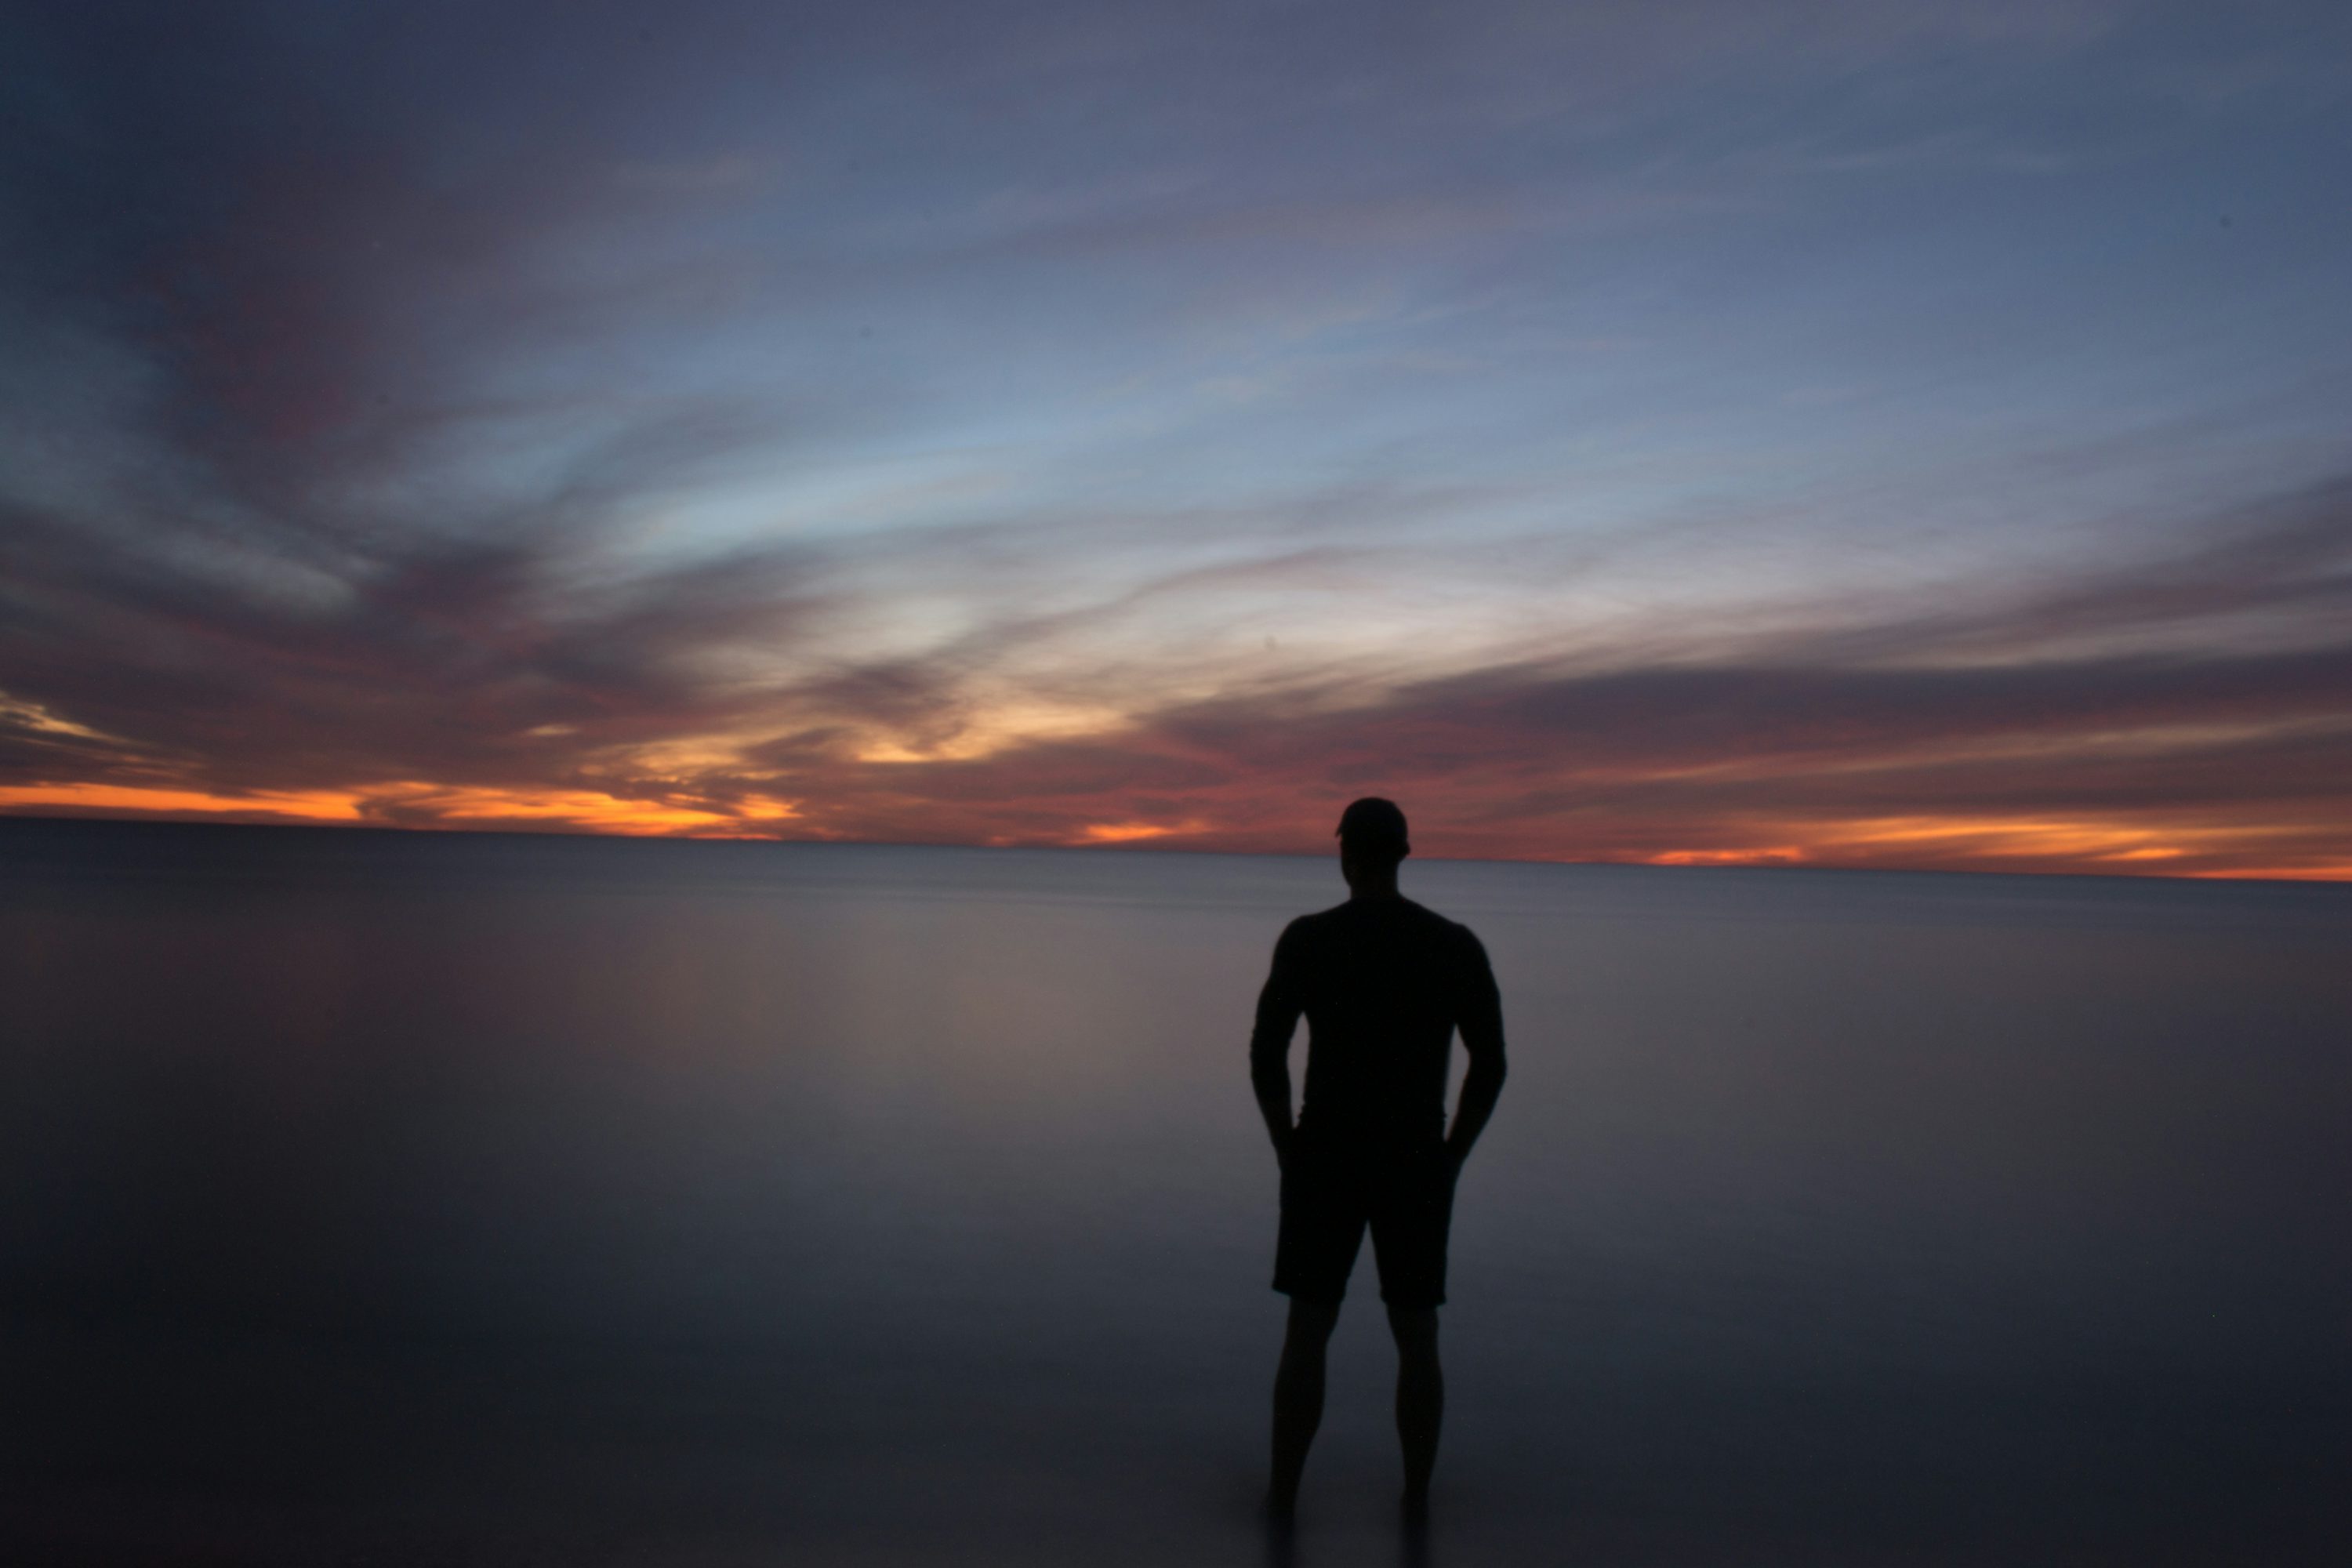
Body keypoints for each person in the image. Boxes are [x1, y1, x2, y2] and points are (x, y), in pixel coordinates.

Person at [1250, 797, 1507, 1525]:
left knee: (1308, 1328)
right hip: (1416, 1160)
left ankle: (1284, 1498)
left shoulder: (1308, 940)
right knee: (1417, 1334)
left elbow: (1265, 1054)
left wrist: (1285, 1147)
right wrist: (1453, 1154)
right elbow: (1490, 1064)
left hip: (1324, 1152)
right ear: (1402, 855)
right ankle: (1416, 1499)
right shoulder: (1453, 944)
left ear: (1345, 855)